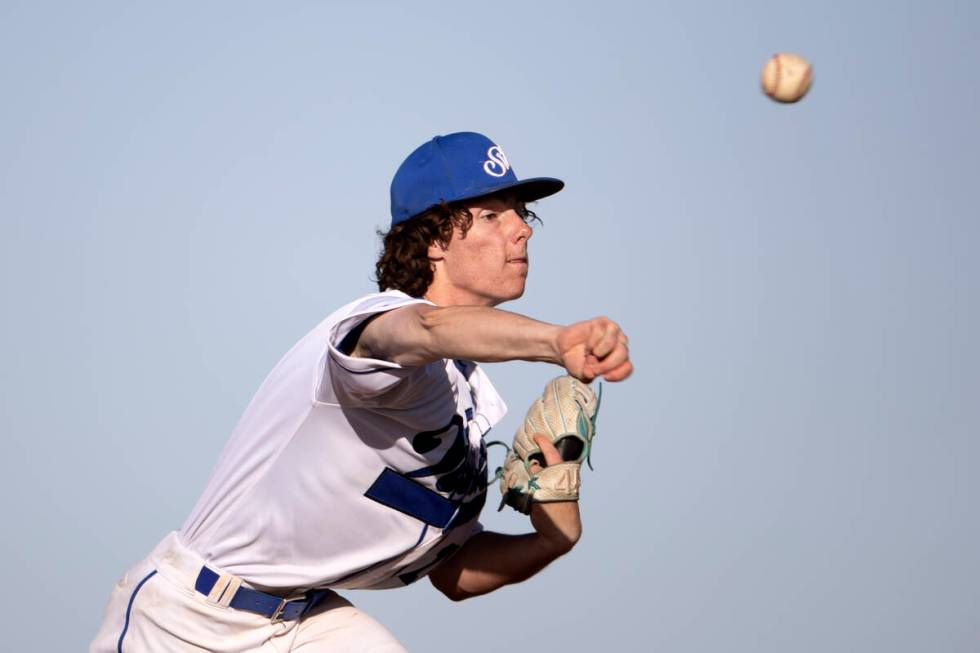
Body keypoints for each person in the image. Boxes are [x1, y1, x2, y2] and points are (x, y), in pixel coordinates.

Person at [91, 131, 632, 652]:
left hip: (304, 624)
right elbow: (427, 330)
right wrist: (555, 341)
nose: (523, 230)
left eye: (521, 212)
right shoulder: (372, 332)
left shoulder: (465, 407)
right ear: (434, 241)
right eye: (492, 215)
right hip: (187, 620)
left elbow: (453, 570)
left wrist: (551, 540)